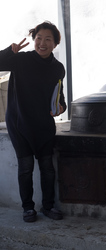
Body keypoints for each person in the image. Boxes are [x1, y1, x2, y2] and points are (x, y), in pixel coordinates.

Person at [0, 21, 67, 222]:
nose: (42, 43)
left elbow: (59, 95)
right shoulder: (20, 60)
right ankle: (28, 208)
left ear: (55, 44)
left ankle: (48, 206)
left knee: (47, 167)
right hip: (19, 123)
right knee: (26, 166)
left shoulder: (58, 69)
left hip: (43, 125)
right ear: (33, 39)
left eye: (48, 39)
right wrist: (9, 52)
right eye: (39, 38)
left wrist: (61, 107)